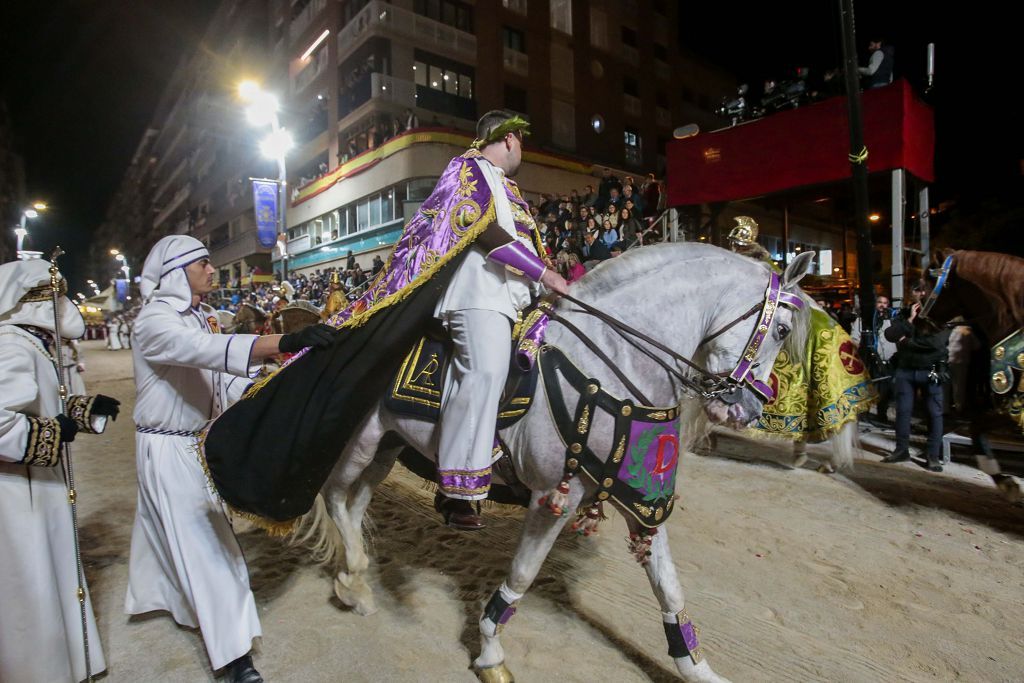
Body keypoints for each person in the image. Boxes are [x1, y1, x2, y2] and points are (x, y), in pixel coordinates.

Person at [125, 235, 339, 683]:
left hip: (192, 442)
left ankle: (173, 601)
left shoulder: (201, 317)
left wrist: (277, 382)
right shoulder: (154, 321)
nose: (212, 269)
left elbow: (219, 380)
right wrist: (284, 339)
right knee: (209, 549)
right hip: (166, 445)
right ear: (177, 271)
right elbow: (203, 353)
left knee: (169, 534)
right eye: (202, 262)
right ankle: (234, 659)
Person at [432, 111, 569, 528]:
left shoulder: (504, 185)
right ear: (510, 138)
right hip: (480, 293)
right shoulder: (470, 168)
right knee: (486, 371)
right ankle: (455, 490)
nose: (521, 152)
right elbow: (483, 229)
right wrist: (544, 273)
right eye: (522, 143)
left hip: (508, 297)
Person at [0, 258, 121, 682]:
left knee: (50, 573)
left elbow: (38, 405)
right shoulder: (11, 345)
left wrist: (83, 412)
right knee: (31, 584)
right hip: (19, 492)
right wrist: (53, 433)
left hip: (37, 484)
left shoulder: (30, 343)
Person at [728, 217, 875, 466]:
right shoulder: (768, 266)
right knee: (803, 388)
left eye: (733, 244)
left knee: (776, 368)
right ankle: (801, 450)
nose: (731, 248)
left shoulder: (752, 269)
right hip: (819, 322)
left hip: (801, 324)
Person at [881, 281, 952, 472]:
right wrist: (910, 321)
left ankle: (932, 456)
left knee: (934, 413)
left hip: (932, 369)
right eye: (916, 290)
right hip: (906, 369)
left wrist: (906, 342)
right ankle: (901, 450)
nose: (920, 294)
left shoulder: (940, 316)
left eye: (923, 290)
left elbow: (936, 344)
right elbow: (889, 334)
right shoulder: (905, 314)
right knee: (903, 411)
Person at [851, 293, 898, 422]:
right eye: (879, 302)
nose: (882, 305)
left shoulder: (892, 321)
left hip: (887, 360)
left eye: (885, 303)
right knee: (867, 388)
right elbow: (854, 340)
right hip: (869, 360)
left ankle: (881, 413)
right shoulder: (862, 321)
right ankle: (864, 413)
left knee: (885, 390)